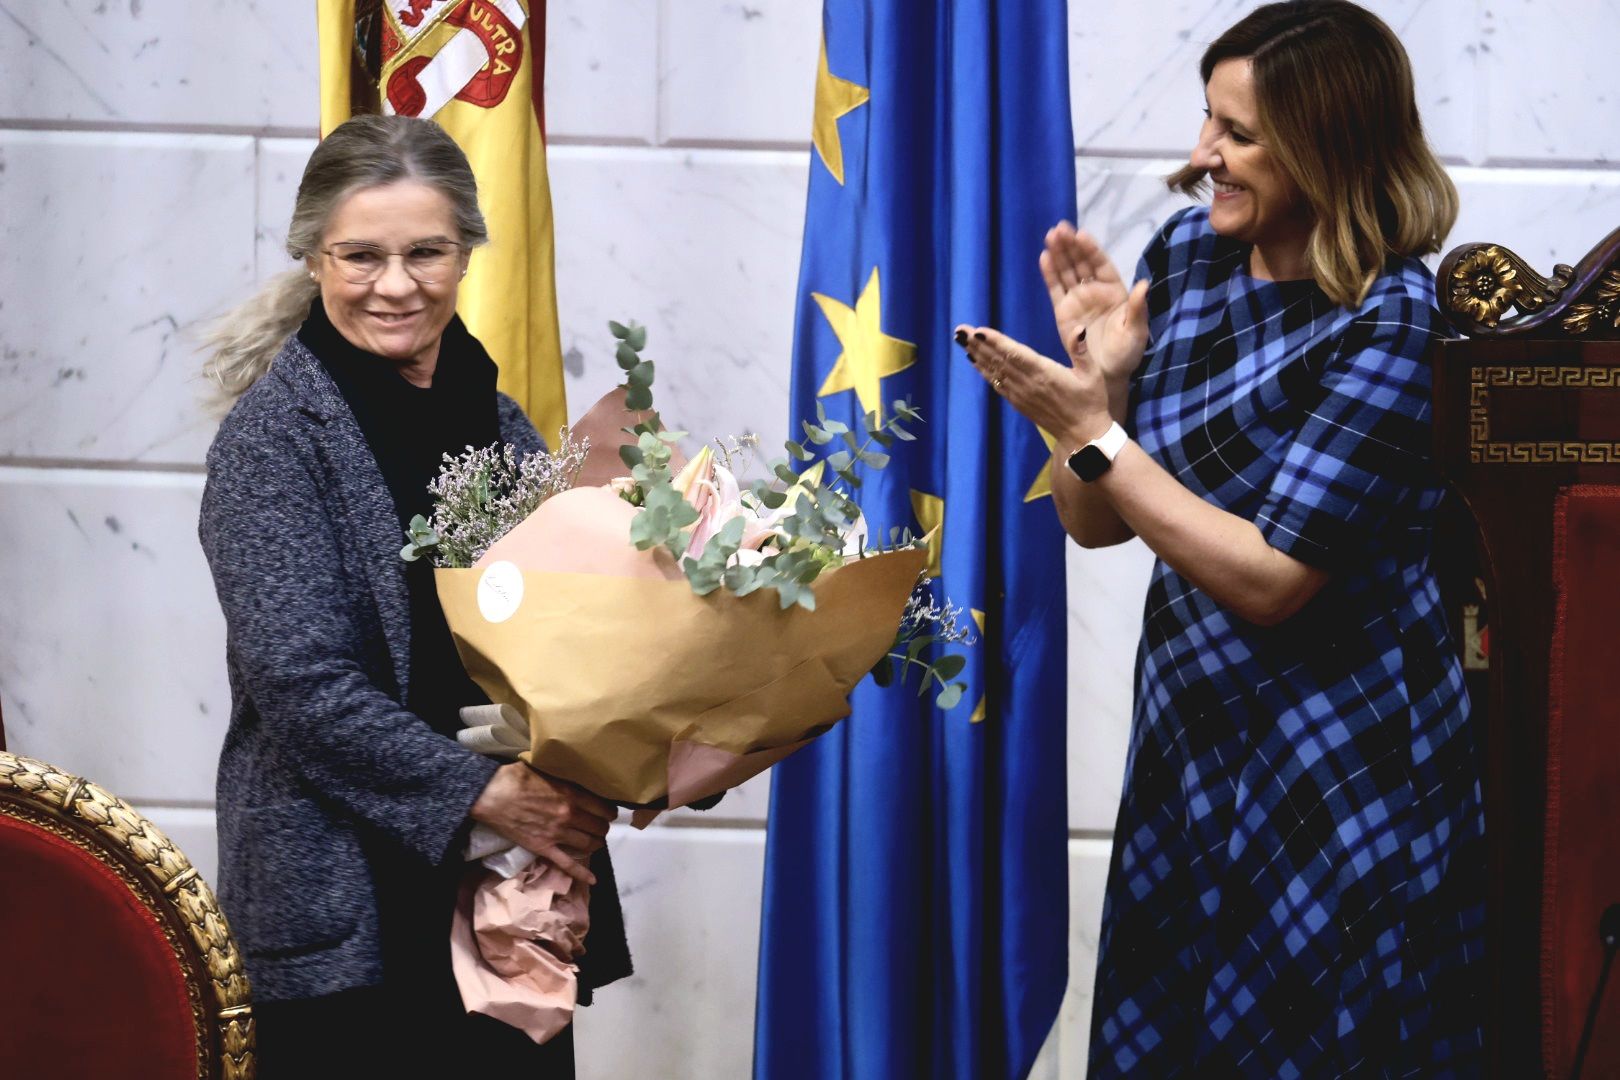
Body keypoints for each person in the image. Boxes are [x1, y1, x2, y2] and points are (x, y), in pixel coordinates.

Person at [957, 2, 1484, 1074]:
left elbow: (1271, 576)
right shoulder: (1189, 261)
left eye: (1237, 135)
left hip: (1340, 769)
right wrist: (1098, 386)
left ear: (1326, 142)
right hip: (1191, 747)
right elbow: (1095, 522)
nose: (1203, 157)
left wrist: (1094, 430)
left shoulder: (1394, 319)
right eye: (1210, 122)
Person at [198, 114, 629, 1077]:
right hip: (348, 918)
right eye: (362, 256)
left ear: (468, 251)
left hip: (509, 904)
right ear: (315, 257)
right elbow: (304, 687)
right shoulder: (274, 441)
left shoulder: (502, 420)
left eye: (427, 252)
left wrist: (648, 747)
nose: (396, 285)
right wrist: (486, 791)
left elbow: (585, 639)